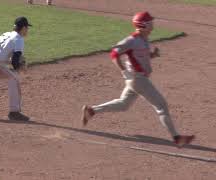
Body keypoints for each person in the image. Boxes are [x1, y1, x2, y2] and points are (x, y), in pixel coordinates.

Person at [81, 12, 195, 148]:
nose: (152, 25)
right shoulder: (132, 40)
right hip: (138, 79)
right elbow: (114, 54)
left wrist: (152, 55)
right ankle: (177, 139)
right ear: (142, 25)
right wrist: (124, 72)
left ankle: (92, 110)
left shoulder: (144, 39)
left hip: (137, 80)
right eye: (150, 23)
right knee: (161, 106)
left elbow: (140, 58)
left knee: (123, 104)